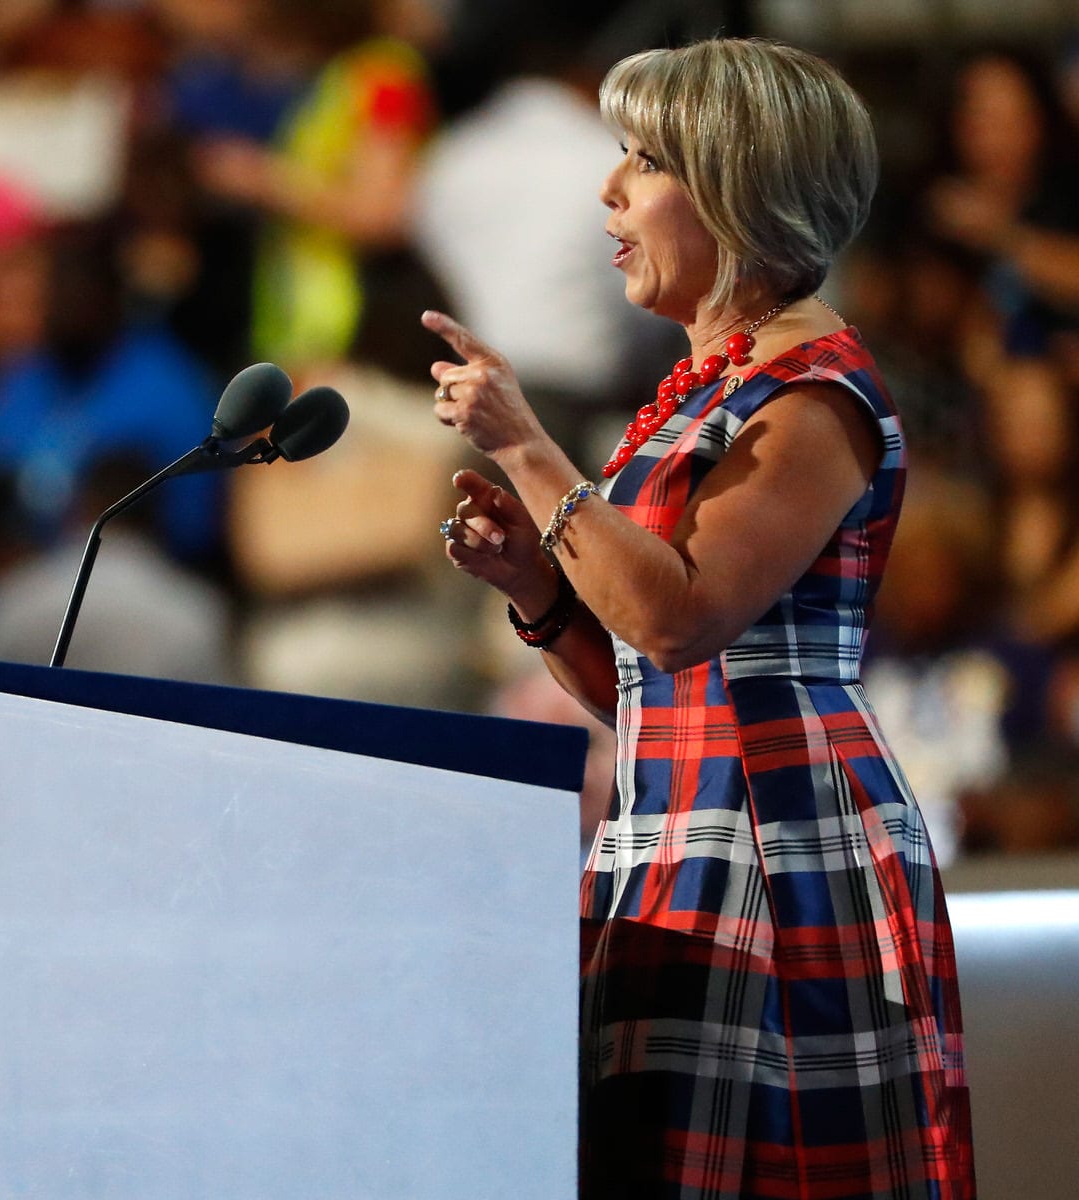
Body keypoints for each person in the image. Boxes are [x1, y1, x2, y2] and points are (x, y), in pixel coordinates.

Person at [421, 40, 974, 1198]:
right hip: (672, 822)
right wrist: (536, 584)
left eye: (646, 161)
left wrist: (527, 446)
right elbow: (643, 677)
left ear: (739, 186)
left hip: (776, 841)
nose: (608, 190)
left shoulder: (812, 391)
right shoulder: (702, 390)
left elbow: (680, 623)